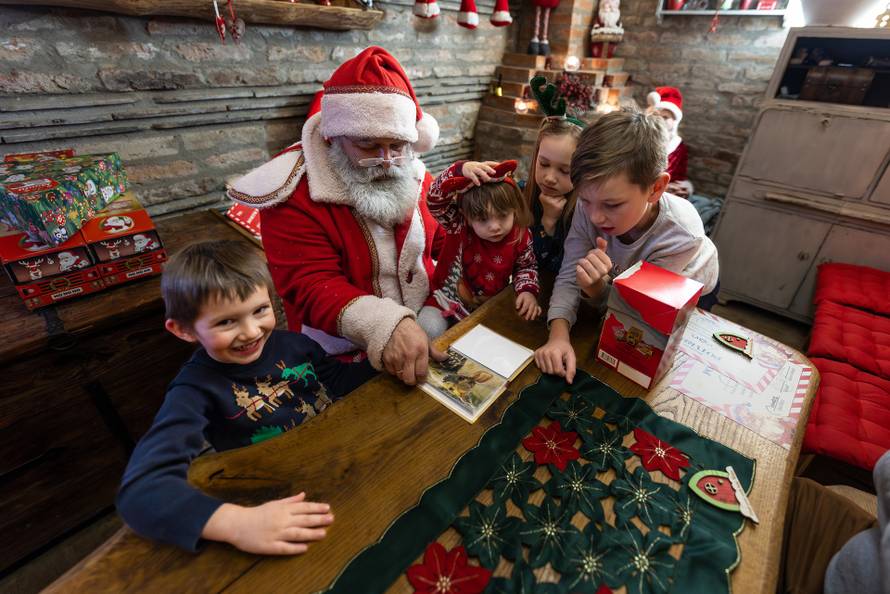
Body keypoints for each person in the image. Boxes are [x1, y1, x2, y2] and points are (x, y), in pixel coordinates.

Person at [116, 240, 374, 554]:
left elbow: (338, 382)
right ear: (183, 330)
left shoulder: (295, 344)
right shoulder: (193, 390)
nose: (251, 332)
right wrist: (236, 523)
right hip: (274, 502)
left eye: (260, 310)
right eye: (226, 321)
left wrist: (383, 359)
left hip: (341, 465)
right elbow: (141, 491)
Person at [227, 46, 445, 387]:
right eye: (369, 145)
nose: (387, 160)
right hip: (338, 353)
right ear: (335, 136)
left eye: (397, 146)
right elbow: (310, 283)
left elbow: (440, 240)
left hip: (428, 328)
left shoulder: (413, 169)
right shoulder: (293, 190)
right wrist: (385, 325)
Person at [534, 108, 719, 383]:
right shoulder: (591, 207)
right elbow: (569, 273)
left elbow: (637, 313)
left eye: (612, 205)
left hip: (691, 290)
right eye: (584, 200)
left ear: (656, 189)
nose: (594, 216)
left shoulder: (680, 237)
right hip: (618, 284)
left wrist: (597, 290)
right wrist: (558, 336)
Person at [420, 159, 541, 337]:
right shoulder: (458, 225)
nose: (495, 226)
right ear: (466, 216)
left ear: (515, 209)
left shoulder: (521, 236)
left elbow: (526, 266)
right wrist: (459, 169)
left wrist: (527, 291)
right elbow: (434, 200)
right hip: (444, 300)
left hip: (487, 308)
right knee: (425, 330)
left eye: (502, 215)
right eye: (483, 219)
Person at [524, 115, 583, 275]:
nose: (550, 178)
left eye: (565, 171)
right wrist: (463, 168)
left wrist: (548, 222)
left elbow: (549, 271)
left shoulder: (584, 213)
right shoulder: (520, 193)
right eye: (544, 163)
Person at [646, 86, 693, 199]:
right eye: (656, 116)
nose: (660, 120)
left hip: (666, 191)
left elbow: (679, 175)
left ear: (674, 121)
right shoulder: (643, 140)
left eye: (666, 117)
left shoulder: (678, 146)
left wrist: (679, 187)